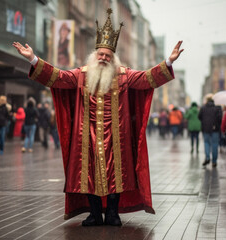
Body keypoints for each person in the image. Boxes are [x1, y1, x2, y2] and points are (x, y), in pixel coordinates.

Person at [12, 8, 184, 227]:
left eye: (107, 56)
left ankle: (112, 214)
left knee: (117, 177)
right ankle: (94, 214)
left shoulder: (124, 74)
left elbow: (146, 78)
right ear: (94, 56)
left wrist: (168, 62)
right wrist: (34, 59)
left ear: (113, 58)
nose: (103, 58)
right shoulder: (80, 74)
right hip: (86, 138)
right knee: (88, 177)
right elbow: (57, 77)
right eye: (100, 55)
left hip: (116, 139)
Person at [198, 95, 222, 167]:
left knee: (206, 143)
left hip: (205, 128)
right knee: (215, 144)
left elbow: (199, 117)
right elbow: (220, 118)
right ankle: (214, 161)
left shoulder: (203, 108)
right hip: (215, 129)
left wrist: (204, 121)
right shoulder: (218, 108)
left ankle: (207, 157)